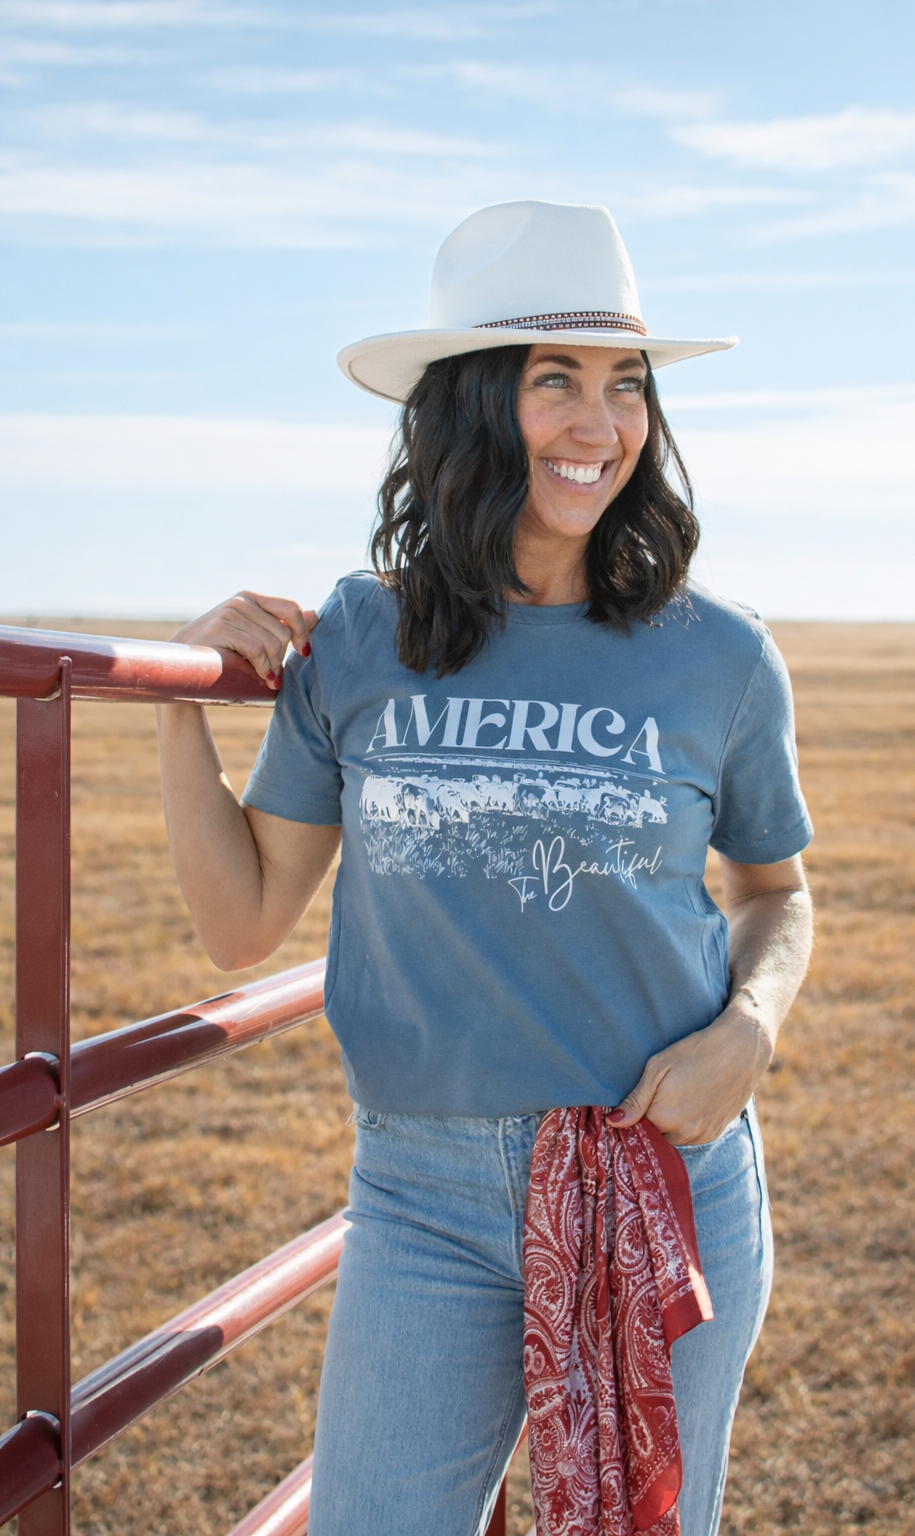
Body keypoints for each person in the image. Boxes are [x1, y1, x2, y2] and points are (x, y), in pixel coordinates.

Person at [156, 200, 814, 1536]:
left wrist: (750, 1030)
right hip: (426, 1198)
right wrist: (182, 703)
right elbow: (241, 922)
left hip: (662, 1175)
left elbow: (774, 894)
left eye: (626, 385)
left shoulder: (722, 656)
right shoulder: (359, 634)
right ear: (467, 406)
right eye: (553, 381)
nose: (600, 423)